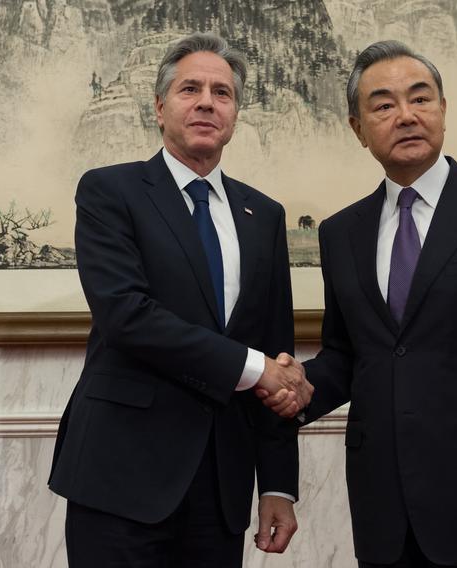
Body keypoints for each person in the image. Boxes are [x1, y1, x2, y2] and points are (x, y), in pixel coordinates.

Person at [261, 40, 457, 568]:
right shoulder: (343, 232)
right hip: (383, 504)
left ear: (443, 111)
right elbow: (349, 354)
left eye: (421, 98)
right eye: (383, 105)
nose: (406, 115)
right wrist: (297, 386)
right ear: (358, 128)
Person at [49, 33, 313, 567]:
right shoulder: (109, 191)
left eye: (222, 93)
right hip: (120, 475)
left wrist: (279, 485)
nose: (206, 102)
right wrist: (255, 368)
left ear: (234, 115)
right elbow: (127, 316)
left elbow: (276, 352)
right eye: (190, 88)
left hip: (220, 485)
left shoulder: (265, 216)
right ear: (159, 107)